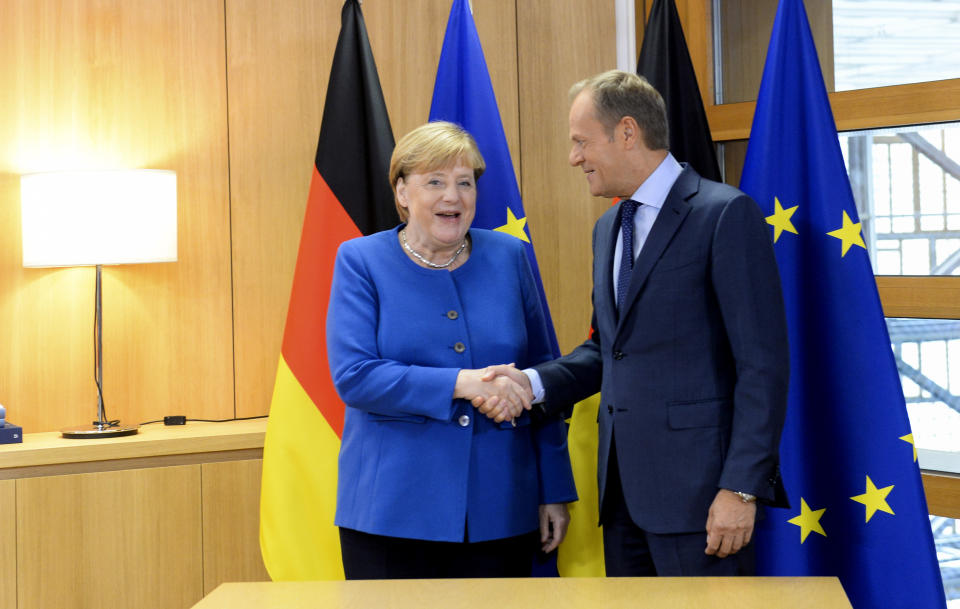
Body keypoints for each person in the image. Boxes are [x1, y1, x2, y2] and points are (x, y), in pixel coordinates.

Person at [479, 70, 789, 577]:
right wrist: (531, 384)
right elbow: (608, 348)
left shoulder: (724, 214)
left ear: (627, 132)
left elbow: (763, 364)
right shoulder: (608, 229)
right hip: (622, 499)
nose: (573, 158)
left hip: (703, 502)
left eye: (581, 142)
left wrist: (740, 488)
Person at [326, 121, 577, 580]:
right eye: (435, 182)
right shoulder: (360, 260)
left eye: (465, 183)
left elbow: (544, 377)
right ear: (402, 192)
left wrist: (554, 489)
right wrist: (462, 383)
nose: (453, 197)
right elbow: (355, 375)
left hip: (502, 508)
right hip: (392, 511)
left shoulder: (509, 256)